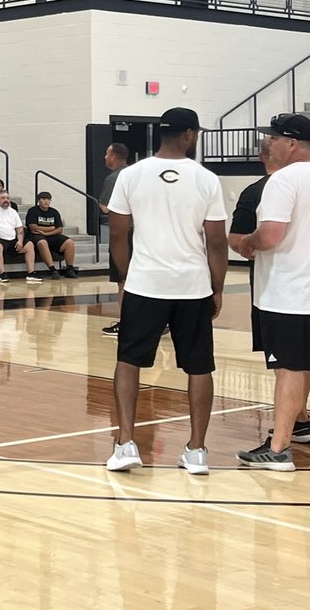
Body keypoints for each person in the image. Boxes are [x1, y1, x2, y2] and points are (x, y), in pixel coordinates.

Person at [106, 107, 227, 476]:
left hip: (146, 284)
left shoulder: (130, 175)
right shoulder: (206, 179)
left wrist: (129, 277)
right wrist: (217, 287)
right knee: (199, 366)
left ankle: (126, 444)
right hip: (192, 285)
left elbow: (117, 235)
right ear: (190, 134)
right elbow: (217, 242)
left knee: (128, 361)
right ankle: (197, 450)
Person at [235, 113, 310, 471]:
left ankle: (279, 447)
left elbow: (270, 235)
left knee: (290, 368)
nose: (269, 144)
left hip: (290, 292)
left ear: (292, 144)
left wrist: (248, 243)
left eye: (275, 138)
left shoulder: (283, 180)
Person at [99, 142, 130, 336]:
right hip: (143, 234)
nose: (104, 157)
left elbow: (106, 208)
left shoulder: (114, 178)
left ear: (113, 156)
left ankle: (126, 324)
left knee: (123, 281)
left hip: (124, 235)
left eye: (106, 153)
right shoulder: (137, 174)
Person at [0, 190, 42, 285]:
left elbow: (19, 229)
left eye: (8, 198)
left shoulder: (13, 211)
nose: (6, 200)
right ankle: (3, 274)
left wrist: (20, 241)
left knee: (29, 244)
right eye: (3, 198)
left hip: (11, 239)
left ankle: (31, 273)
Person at [25, 192, 79, 279]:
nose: (46, 201)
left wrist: (46, 233)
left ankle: (69, 269)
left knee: (69, 242)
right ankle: (53, 269)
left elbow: (59, 229)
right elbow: (33, 227)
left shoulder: (54, 212)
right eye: (43, 199)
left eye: (48, 199)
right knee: (42, 242)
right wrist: (51, 228)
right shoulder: (33, 211)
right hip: (36, 236)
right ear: (38, 201)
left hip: (51, 235)